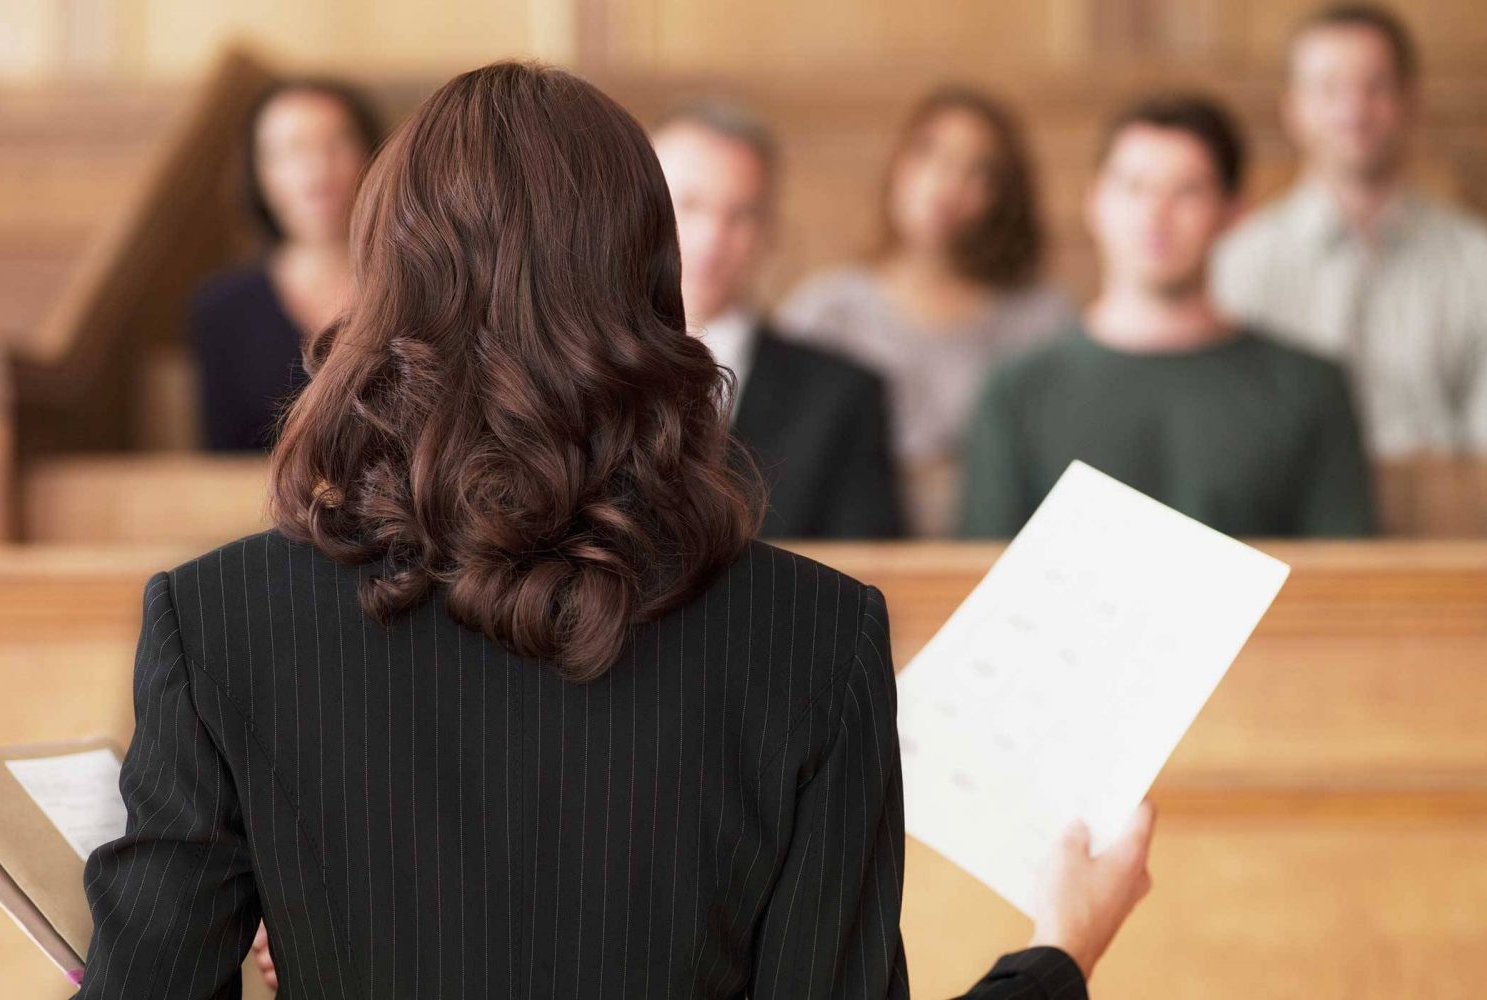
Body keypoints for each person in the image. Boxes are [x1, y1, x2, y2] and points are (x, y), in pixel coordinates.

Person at [72, 62, 1154, 999]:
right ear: (652, 282)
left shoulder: (214, 619)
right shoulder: (817, 638)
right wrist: (1060, 950)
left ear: (385, 282)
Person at [961, 94, 1375, 539]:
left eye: (1187, 192)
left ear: (1233, 212)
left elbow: (1345, 581)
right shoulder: (1016, 390)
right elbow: (978, 577)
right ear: (1095, 201)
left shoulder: (1310, 388)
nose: (1155, 215)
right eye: (1133, 187)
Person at [778, 87, 1076, 536]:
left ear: (1004, 197)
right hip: (853, 557)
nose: (946, 184)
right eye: (928, 154)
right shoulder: (826, 310)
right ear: (897, 164)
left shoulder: (1041, 318)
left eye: (979, 171)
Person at [1214, 3, 1487, 455]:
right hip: (1281, 521)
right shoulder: (1237, 263)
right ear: (1292, 109)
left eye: (1375, 86)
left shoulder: (1477, 261)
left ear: (1410, 100)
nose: (1353, 109)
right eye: (1328, 88)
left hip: (1448, 516)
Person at [651, 100, 903, 539]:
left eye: (741, 215)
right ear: (643, 214)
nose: (712, 238)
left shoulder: (844, 396)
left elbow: (872, 570)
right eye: (688, 205)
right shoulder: (579, 374)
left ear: (770, 231)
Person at [189, 78, 383, 451]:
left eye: (336, 144)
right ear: (259, 174)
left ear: (373, 158)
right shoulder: (222, 308)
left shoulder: (413, 285)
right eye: (293, 150)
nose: (318, 171)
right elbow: (217, 461)